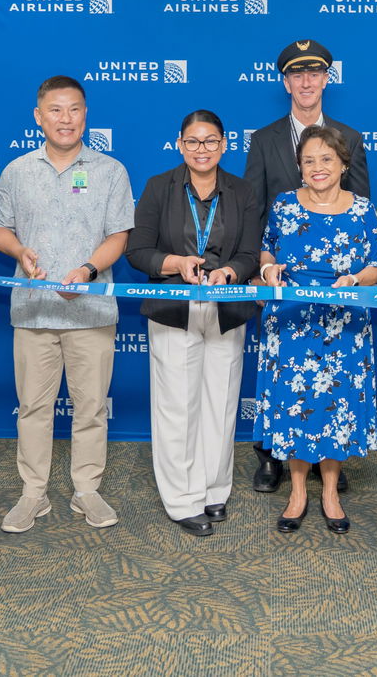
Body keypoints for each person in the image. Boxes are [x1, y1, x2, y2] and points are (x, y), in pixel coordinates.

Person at [0, 76, 134, 535]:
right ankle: (32, 494)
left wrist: (90, 270)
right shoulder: (16, 171)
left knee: (91, 406)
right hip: (33, 310)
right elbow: (0, 228)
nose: (65, 119)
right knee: (33, 406)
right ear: (39, 116)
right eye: (55, 110)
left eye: (74, 109)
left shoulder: (111, 170)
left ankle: (86, 490)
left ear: (85, 114)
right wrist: (18, 251)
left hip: (90, 311)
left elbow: (119, 236)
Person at [126, 110, 261, 537]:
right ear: (180, 144)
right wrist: (174, 263)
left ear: (224, 144)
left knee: (220, 404)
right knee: (176, 406)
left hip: (227, 306)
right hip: (174, 306)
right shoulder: (158, 187)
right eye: (193, 141)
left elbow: (253, 253)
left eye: (210, 141)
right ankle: (182, 499)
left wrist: (231, 273)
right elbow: (137, 250)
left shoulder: (242, 191)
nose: (201, 150)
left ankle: (214, 490)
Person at [244, 38, 370, 493]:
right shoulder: (263, 139)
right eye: (297, 75)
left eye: (314, 73)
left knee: (333, 373)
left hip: (338, 287)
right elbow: (254, 210)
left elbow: (361, 210)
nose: (306, 82)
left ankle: (327, 459)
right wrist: (260, 268)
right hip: (283, 279)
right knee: (280, 369)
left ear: (325, 80)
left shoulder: (350, 138)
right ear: (286, 82)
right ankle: (273, 458)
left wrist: (354, 276)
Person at [255, 125, 377, 534]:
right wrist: (266, 268)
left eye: (326, 159)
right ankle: (297, 492)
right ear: (299, 167)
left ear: (344, 164)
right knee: (295, 404)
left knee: (336, 406)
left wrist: (355, 281)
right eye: (308, 160)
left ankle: (330, 491)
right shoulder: (284, 204)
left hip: (342, 323)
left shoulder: (362, 208)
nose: (317, 167)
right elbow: (267, 247)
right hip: (292, 320)